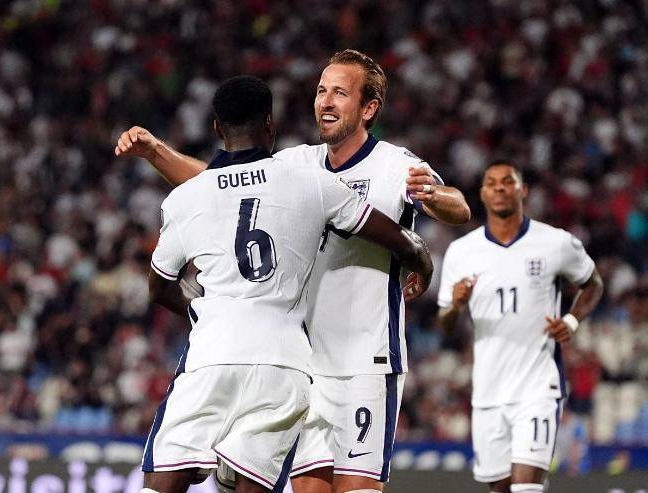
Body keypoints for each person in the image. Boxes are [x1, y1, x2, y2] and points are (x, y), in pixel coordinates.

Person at [117, 50, 470, 493]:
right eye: (321, 91)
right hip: (300, 363)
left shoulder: (395, 165)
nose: (326, 101)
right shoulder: (297, 164)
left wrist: (434, 198)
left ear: (368, 108)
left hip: (364, 360)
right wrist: (155, 152)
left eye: (340, 93)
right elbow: (219, 184)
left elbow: (459, 206)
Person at [437, 160, 604, 493]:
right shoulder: (461, 251)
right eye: (491, 183)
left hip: (537, 387)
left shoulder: (555, 242)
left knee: (526, 487)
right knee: (500, 487)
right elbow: (445, 325)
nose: (499, 188)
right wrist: (456, 304)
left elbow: (593, 283)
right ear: (482, 194)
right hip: (488, 391)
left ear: (523, 190)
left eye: (507, 181)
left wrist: (572, 320)